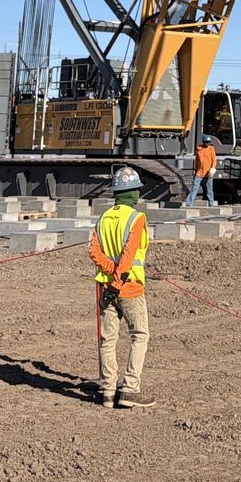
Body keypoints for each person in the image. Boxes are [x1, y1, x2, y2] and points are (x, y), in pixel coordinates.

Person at [89, 166, 156, 409]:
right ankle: (129, 389)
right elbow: (128, 257)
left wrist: (109, 273)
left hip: (105, 288)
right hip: (128, 288)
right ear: (133, 194)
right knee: (140, 335)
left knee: (108, 339)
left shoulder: (104, 218)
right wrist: (118, 282)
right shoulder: (136, 218)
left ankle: (107, 391)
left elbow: (93, 251)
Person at [185, 136, 217, 208]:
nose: (207, 144)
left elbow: (214, 160)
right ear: (203, 142)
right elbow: (197, 161)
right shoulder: (199, 150)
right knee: (194, 189)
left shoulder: (211, 149)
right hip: (199, 173)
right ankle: (189, 204)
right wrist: (195, 170)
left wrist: (212, 170)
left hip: (208, 173)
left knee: (209, 190)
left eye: (209, 142)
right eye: (206, 142)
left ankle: (211, 204)